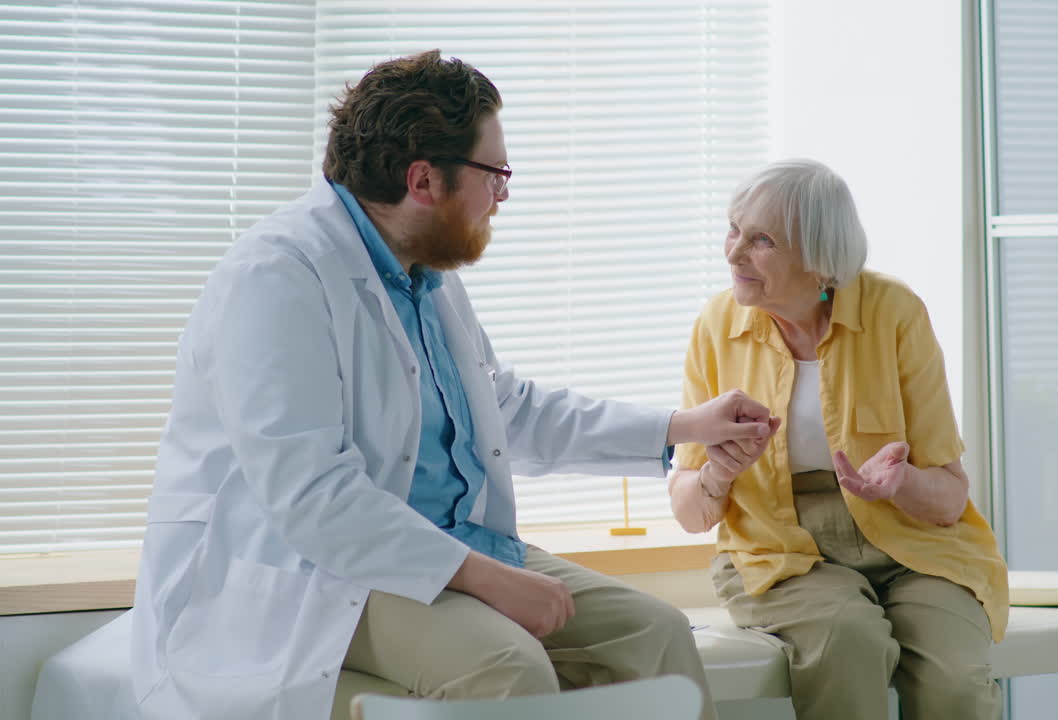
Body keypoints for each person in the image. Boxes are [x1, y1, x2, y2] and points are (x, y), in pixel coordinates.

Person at [128, 50, 779, 720]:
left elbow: (503, 411)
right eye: (495, 172)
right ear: (423, 180)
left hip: (453, 542)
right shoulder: (276, 279)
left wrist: (685, 427)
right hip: (318, 572)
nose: (504, 192)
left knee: (656, 635)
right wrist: (490, 579)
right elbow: (314, 497)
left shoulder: (425, 276)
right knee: (506, 667)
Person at [669, 159, 1009, 720]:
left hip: (911, 543)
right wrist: (718, 472)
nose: (732, 253)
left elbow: (949, 496)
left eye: (761, 241)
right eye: (734, 229)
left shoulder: (894, 313)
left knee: (954, 684)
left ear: (819, 259)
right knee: (849, 643)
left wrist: (899, 483)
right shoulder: (717, 326)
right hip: (778, 548)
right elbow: (690, 513)